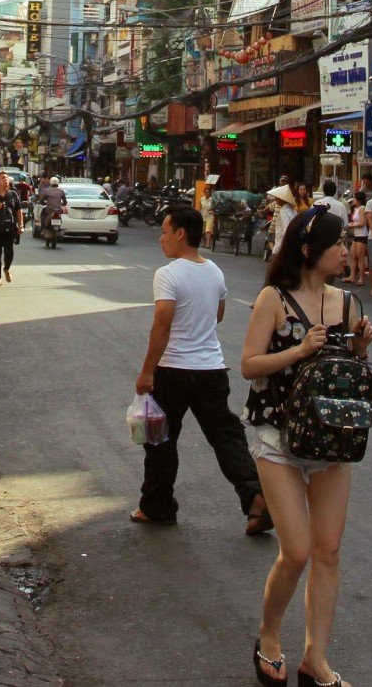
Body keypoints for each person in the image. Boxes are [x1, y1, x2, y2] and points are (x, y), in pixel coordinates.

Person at [240, 209, 372, 687]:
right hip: (278, 435)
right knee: (295, 551)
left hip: (331, 439)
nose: (346, 251)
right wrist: (298, 350)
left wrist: (360, 352)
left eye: (346, 243)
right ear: (307, 250)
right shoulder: (272, 300)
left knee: (329, 551)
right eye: (337, 244)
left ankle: (315, 658)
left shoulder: (348, 304)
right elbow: (250, 365)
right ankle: (270, 636)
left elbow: (349, 375)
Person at [132, 205, 270, 536]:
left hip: (174, 371)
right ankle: (255, 498)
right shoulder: (214, 271)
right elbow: (218, 314)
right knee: (226, 437)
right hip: (211, 369)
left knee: (161, 441)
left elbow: (162, 325)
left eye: (165, 231)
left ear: (181, 234)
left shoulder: (168, 274)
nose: (161, 239)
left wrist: (147, 372)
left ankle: (158, 507)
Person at [345, 181, 372, 287]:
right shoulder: (356, 209)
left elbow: (361, 223)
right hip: (356, 235)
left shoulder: (362, 208)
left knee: (360, 256)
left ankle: (361, 278)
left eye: (355, 198)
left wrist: (350, 225)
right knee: (352, 255)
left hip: (362, 235)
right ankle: (352, 276)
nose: (353, 200)